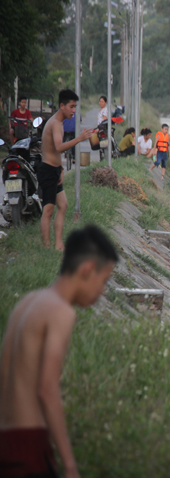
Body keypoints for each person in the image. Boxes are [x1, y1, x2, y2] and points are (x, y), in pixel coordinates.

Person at [0, 225, 118, 478]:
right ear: (87, 270)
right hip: (29, 445)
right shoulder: (61, 312)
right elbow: (47, 388)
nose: (102, 291)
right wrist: (70, 465)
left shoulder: (28, 302)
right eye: (104, 281)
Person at [38, 89, 94, 250]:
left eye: (75, 107)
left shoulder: (60, 123)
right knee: (48, 210)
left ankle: (58, 245)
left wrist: (61, 168)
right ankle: (48, 248)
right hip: (47, 170)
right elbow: (59, 147)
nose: (74, 110)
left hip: (55, 170)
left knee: (63, 205)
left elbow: (55, 151)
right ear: (62, 106)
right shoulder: (55, 124)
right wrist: (79, 139)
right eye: (71, 106)